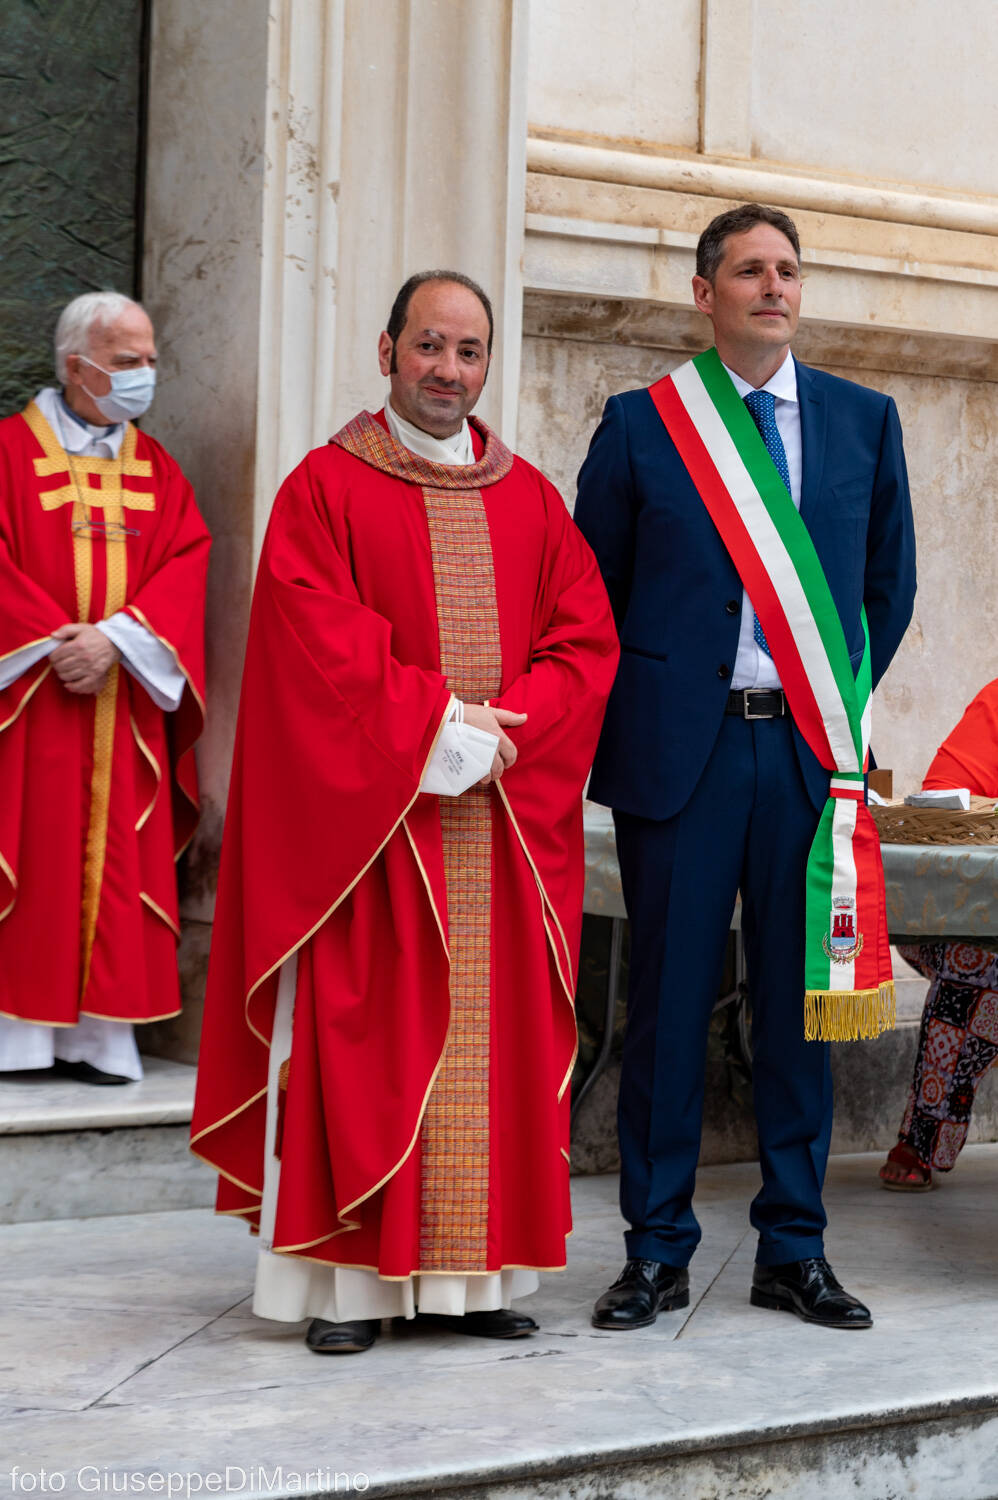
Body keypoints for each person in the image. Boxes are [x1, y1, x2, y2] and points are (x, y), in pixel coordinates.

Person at [191, 270, 618, 1355]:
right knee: (365, 1047)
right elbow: (313, 646)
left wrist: (507, 730)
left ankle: (471, 1284)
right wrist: (439, 728)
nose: (448, 372)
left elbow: (582, 642)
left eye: (469, 353)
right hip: (375, 836)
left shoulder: (527, 499)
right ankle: (345, 1290)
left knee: (491, 1059)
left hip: (498, 826)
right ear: (386, 352)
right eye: (429, 347)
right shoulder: (322, 490)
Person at [575, 203, 916, 1332]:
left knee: (800, 1004)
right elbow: (593, 596)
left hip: (810, 756)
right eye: (747, 270)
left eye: (786, 270)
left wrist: (838, 705)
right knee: (666, 1008)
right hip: (685, 755)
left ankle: (793, 1247)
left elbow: (885, 587)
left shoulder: (864, 421)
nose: (771, 286)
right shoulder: (638, 426)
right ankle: (655, 1250)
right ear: (702, 291)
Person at [0, 292, 209, 1085]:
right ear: (74, 365)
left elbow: (188, 564)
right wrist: (54, 645)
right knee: (30, 850)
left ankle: (98, 1036)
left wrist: (115, 640)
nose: (144, 376)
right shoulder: (8, 454)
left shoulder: (159, 470)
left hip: (118, 704)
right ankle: (15, 1033)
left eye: (151, 360)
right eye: (127, 362)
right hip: (28, 700)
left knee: (118, 863)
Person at [880, 678, 998, 1191]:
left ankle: (921, 1139)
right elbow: (941, 805)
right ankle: (926, 1133)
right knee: (975, 961)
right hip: (962, 919)